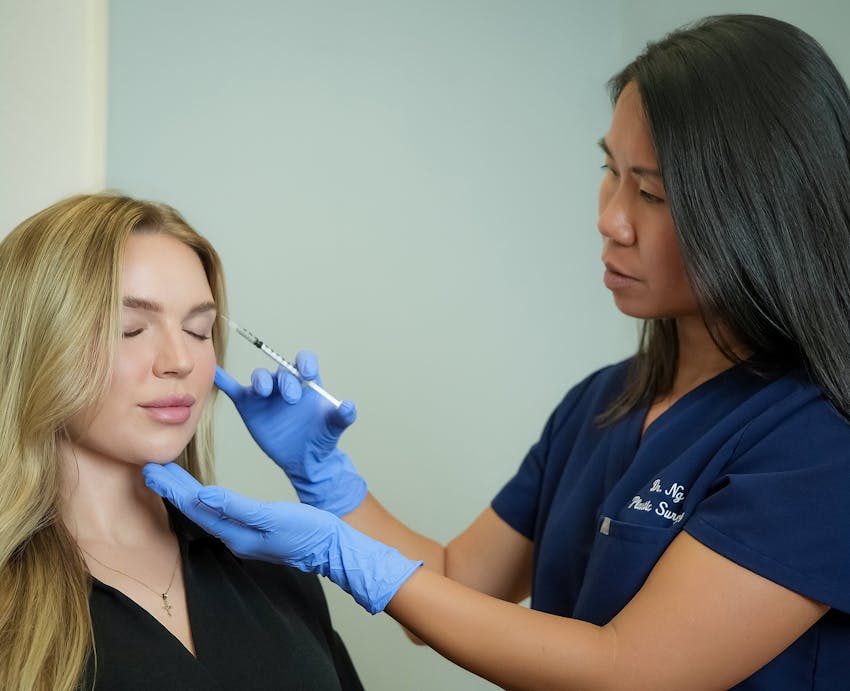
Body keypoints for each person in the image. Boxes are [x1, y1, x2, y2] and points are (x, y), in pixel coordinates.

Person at [144, 14, 850, 690]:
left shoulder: (819, 442)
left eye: (650, 193)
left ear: (761, 211)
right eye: (610, 171)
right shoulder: (602, 404)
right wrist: (332, 484)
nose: (609, 218)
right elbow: (455, 581)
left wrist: (341, 553)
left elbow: (625, 670)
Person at [0, 193, 363, 690]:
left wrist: (333, 489)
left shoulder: (272, 564)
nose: (180, 360)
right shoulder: (11, 603)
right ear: (39, 343)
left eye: (198, 330)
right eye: (130, 329)